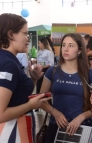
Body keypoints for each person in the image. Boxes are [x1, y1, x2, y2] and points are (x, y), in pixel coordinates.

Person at [40, 33, 92, 143]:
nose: (66, 49)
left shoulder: (90, 74)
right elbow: (40, 100)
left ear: (80, 50)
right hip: (56, 126)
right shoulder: (52, 71)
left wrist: (81, 117)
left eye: (71, 45)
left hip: (82, 127)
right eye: (63, 45)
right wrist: (55, 113)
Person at [0, 13, 51, 143]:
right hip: (10, 131)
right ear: (11, 35)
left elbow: (16, 95)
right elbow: (1, 114)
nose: (28, 39)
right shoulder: (8, 64)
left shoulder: (8, 60)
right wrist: (30, 105)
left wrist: (33, 79)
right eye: (25, 34)